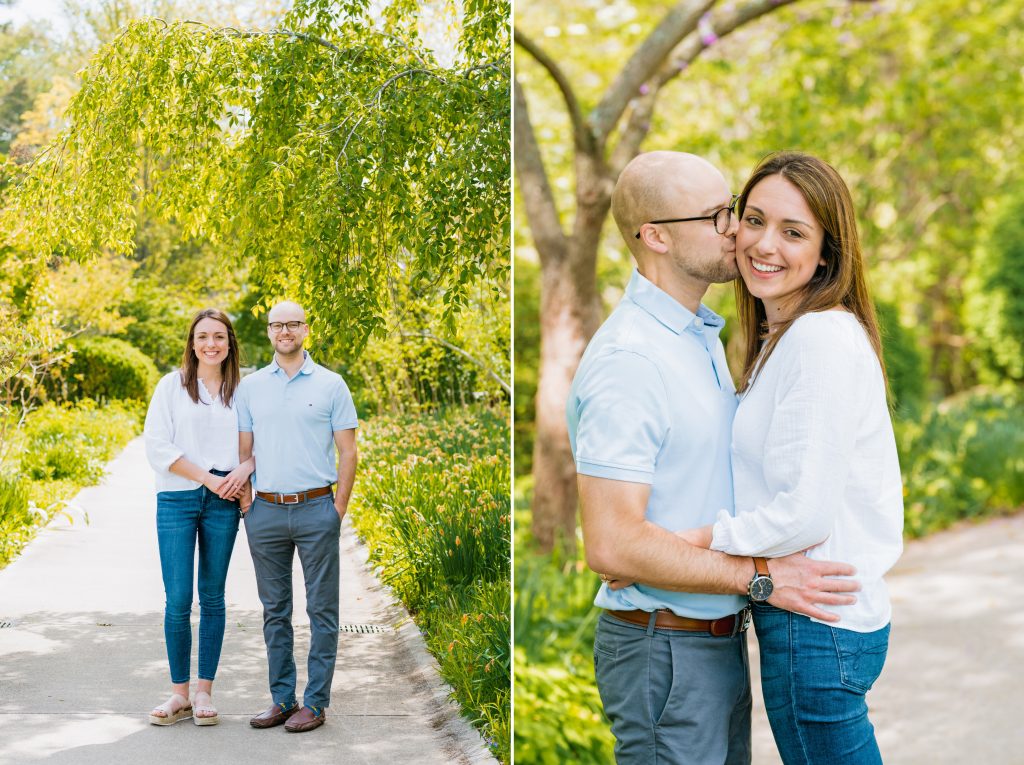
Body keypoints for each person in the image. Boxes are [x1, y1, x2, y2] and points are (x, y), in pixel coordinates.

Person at [567, 151, 861, 765]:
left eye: (733, 209)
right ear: (656, 238)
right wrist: (758, 575)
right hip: (663, 650)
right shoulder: (631, 360)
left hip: (713, 646)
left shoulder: (696, 337)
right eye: (717, 215)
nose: (736, 229)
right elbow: (612, 546)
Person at [680, 152, 903, 764]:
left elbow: (804, 513)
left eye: (793, 231)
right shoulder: (786, 338)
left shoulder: (819, 337)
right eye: (754, 220)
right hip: (816, 623)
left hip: (815, 626)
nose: (764, 244)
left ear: (827, 254)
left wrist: (691, 542)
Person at [237, 300, 358, 733]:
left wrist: (336, 509)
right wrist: (248, 506)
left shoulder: (331, 384)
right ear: (268, 332)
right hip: (265, 511)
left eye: (293, 323)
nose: (284, 331)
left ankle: (316, 703)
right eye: (277, 325)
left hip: (316, 509)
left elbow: (348, 452)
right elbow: (245, 451)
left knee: (322, 610)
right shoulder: (251, 387)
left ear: (306, 329)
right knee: (275, 611)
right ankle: (283, 699)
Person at [143, 308, 254, 726]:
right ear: (192, 343)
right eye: (203, 336)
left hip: (225, 499)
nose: (211, 344)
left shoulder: (243, 391)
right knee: (177, 600)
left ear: (230, 345)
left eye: (220, 337)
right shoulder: (172, 387)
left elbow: (264, 438)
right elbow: (157, 446)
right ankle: (179, 695)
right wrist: (207, 478)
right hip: (177, 499)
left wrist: (244, 470)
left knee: (212, 598)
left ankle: (205, 692)